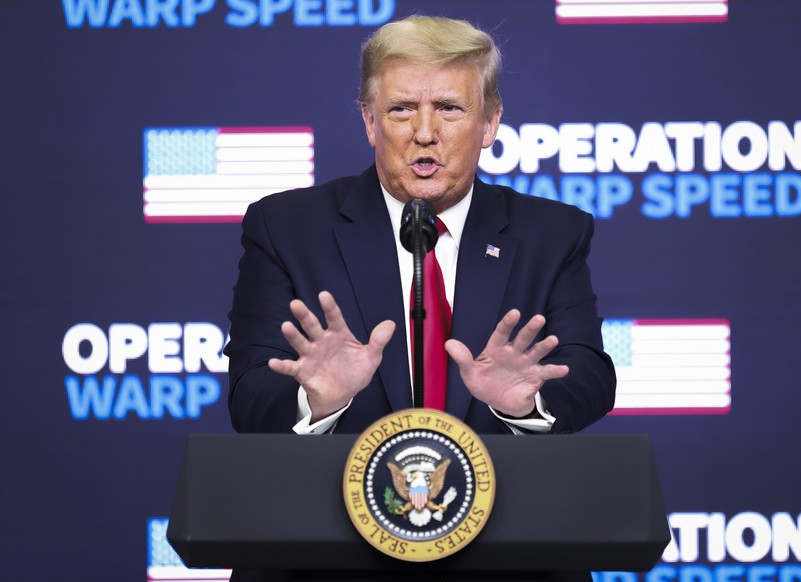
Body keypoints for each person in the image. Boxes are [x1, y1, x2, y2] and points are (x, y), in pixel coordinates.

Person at [224, 15, 616, 581]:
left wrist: (524, 407)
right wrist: (318, 402)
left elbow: (590, 378)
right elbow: (249, 394)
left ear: (489, 123)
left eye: (450, 109)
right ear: (369, 121)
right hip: (328, 557)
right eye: (402, 108)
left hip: (505, 554)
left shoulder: (551, 234)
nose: (424, 132)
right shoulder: (286, 228)